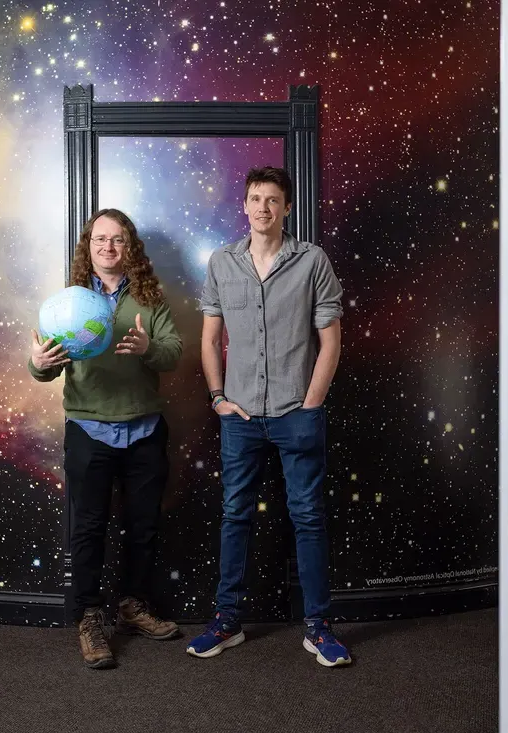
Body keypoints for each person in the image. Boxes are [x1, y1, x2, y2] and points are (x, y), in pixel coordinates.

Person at [187, 166, 352, 667]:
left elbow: (331, 340)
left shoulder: (312, 262)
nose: (263, 207)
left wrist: (312, 402)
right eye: (255, 198)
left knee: (308, 517)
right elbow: (210, 339)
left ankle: (318, 627)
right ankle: (227, 621)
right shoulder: (221, 263)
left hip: (295, 413)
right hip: (239, 416)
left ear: (286, 208)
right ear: (245, 206)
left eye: (273, 200)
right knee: (235, 516)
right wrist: (218, 398)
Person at [28, 208, 183, 670]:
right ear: (88, 246)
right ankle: (90, 617)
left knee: (143, 526)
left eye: (117, 240)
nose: (108, 247)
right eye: (100, 239)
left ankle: (134, 607)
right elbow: (44, 369)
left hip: (144, 430)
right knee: (89, 529)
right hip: (89, 428)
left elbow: (173, 353)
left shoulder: (151, 300)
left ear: (129, 246)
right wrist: (38, 361)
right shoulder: (68, 303)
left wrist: (147, 348)